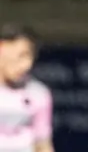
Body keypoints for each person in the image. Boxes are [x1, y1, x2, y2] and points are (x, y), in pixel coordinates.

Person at [0, 24, 54, 152]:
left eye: (30, 57)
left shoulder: (38, 93)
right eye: (21, 55)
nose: (26, 65)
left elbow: (43, 144)